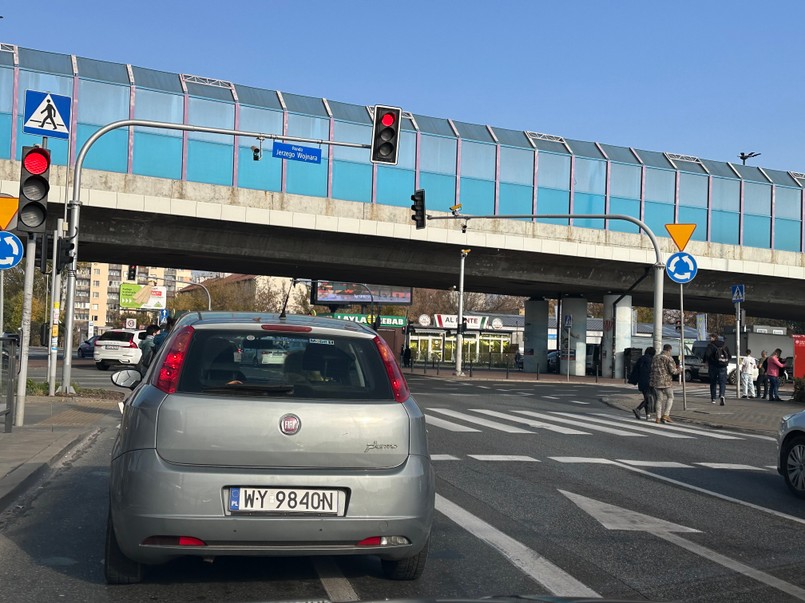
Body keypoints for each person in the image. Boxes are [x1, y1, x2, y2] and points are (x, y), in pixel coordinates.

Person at [650, 344, 679, 424]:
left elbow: (652, 369)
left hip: (656, 381)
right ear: (669, 350)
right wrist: (680, 370)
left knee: (659, 399)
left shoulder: (655, 357)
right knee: (670, 397)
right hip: (666, 382)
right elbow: (673, 371)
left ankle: (658, 417)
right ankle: (666, 415)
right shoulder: (669, 358)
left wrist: (651, 381)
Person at [629, 346, 656, 420]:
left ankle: (648, 415)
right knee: (648, 398)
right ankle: (638, 409)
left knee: (646, 397)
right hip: (648, 381)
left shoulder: (641, 359)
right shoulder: (650, 360)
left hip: (640, 381)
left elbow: (635, 370)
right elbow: (650, 371)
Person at [705, 332, 730, 406]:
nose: (710, 339)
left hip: (713, 366)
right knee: (722, 382)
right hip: (723, 366)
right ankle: (722, 395)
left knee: (713, 382)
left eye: (710, 337)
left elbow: (707, 355)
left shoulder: (711, 345)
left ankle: (713, 398)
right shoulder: (724, 345)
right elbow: (729, 355)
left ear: (714, 338)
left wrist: (706, 362)